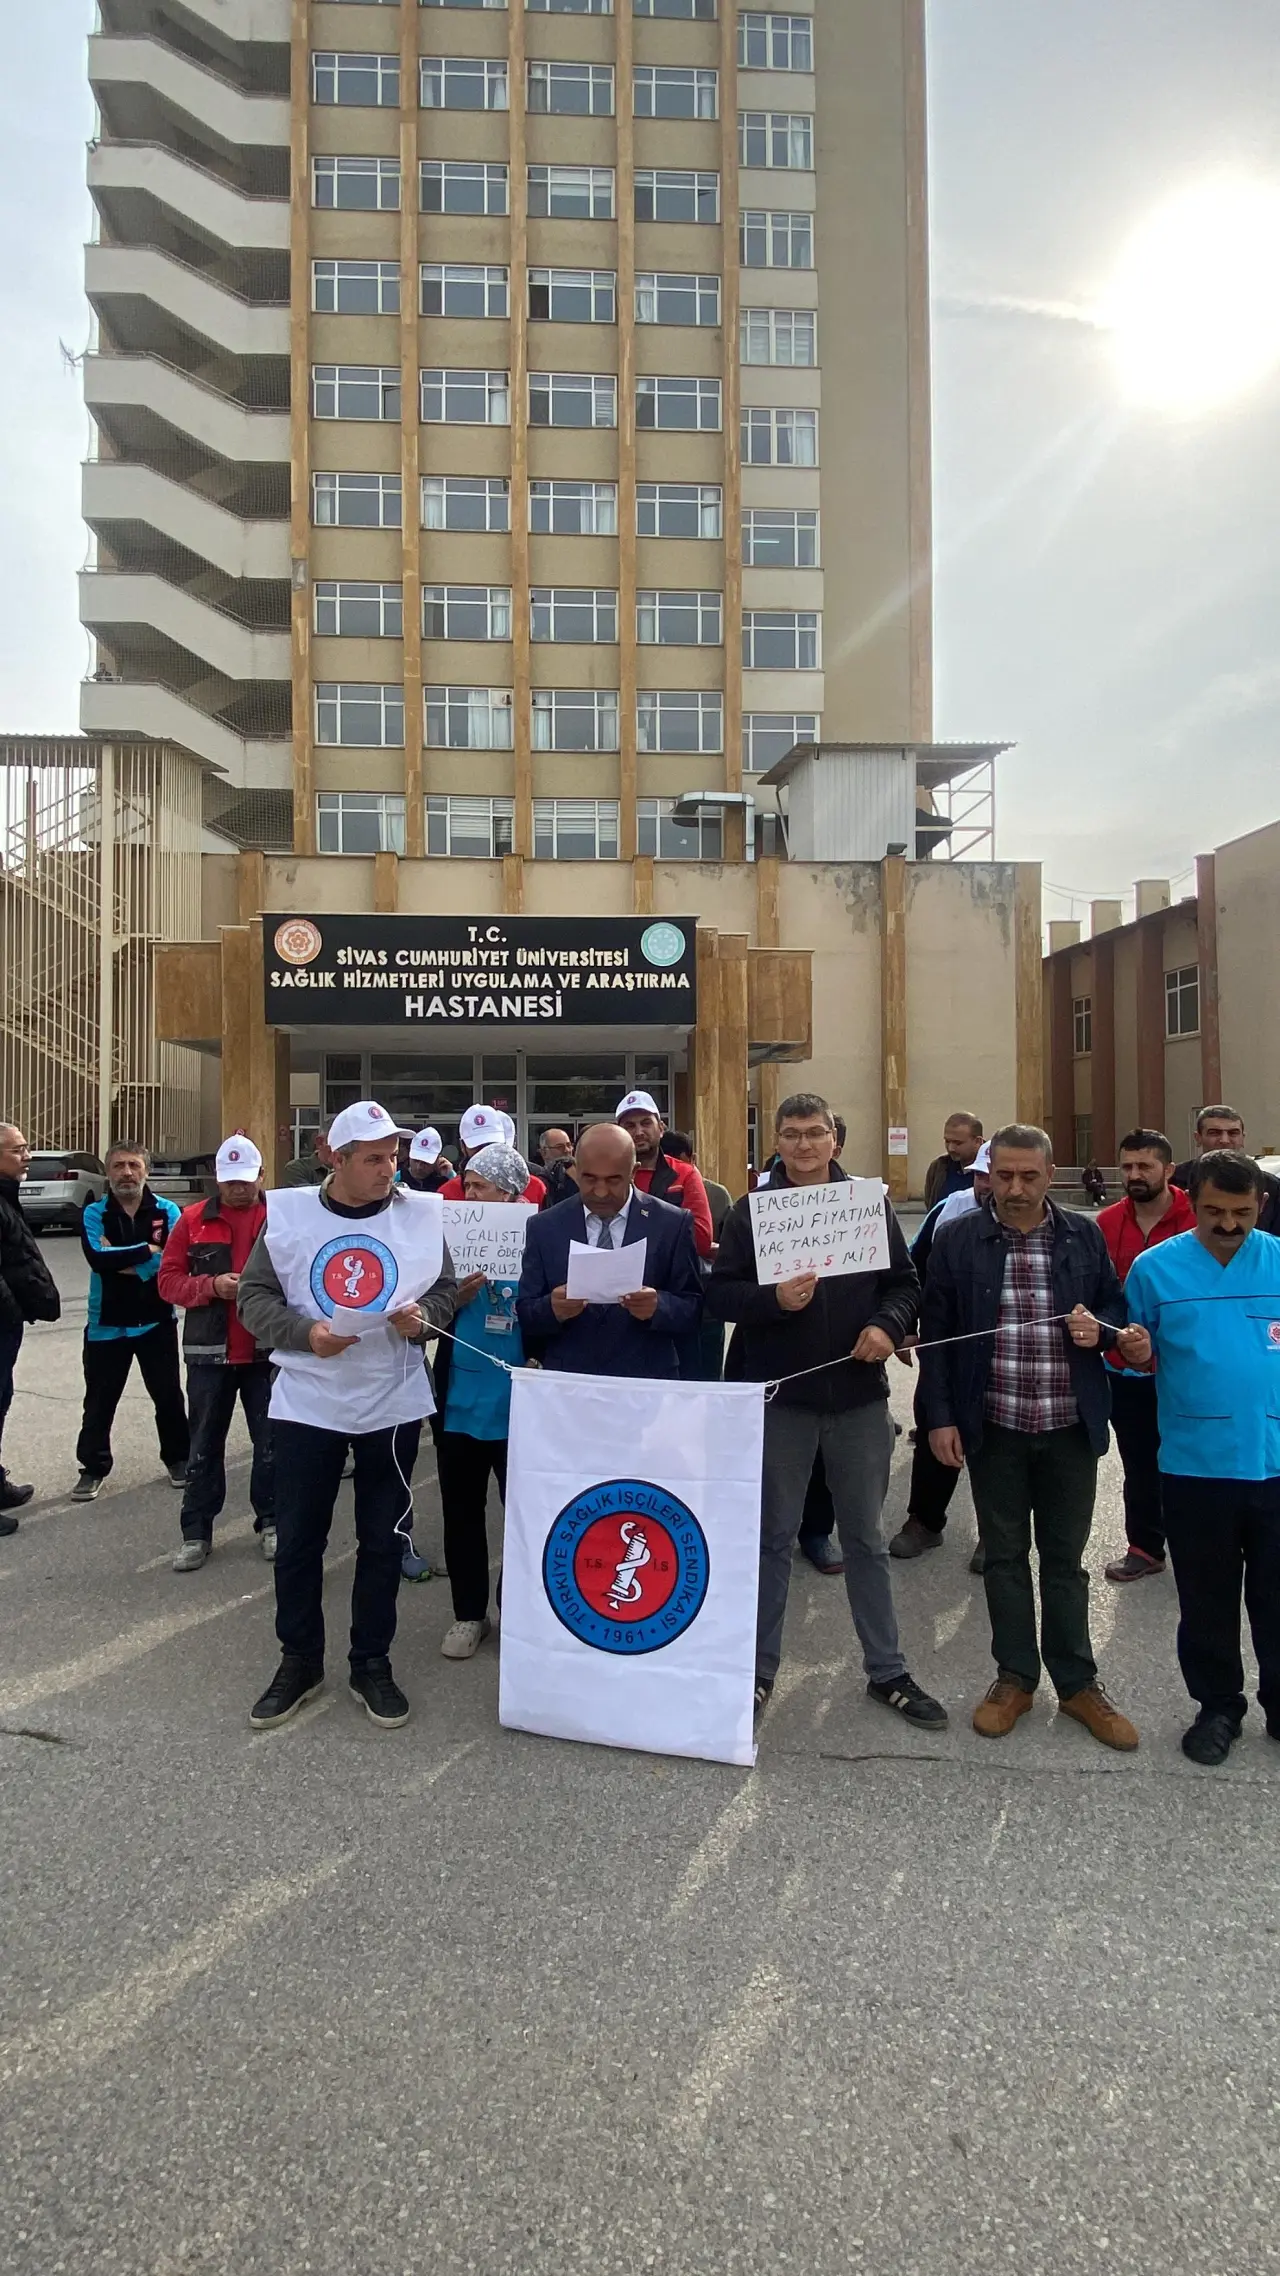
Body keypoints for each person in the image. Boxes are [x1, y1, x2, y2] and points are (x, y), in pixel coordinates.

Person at [707, 1091, 946, 1728]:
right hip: (781, 1401)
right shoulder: (753, 1212)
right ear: (776, 1142)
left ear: (834, 1139)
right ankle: (757, 1671)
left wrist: (887, 1326)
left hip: (858, 1398)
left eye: (815, 1133)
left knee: (865, 1539)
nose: (804, 1144)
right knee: (771, 1539)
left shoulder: (866, 1204)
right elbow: (719, 1295)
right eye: (791, 1134)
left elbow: (905, 1284)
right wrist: (773, 1301)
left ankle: (887, 1671)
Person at [237, 1099, 459, 1730]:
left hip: (391, 1400)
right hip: (308, 1400)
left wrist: (427, 1318)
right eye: (374, 1159)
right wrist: (305, 1334)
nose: (389, 1169)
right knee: (299, 1541)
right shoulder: (289, 1214)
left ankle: (371, 1662)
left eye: (393, 1156)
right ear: (336, 1158)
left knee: (383, 1541)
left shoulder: (419, 1215)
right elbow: (254, 1297)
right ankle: (300, 1660)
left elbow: (443, 1289)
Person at [920, 1122, 1137, 1749]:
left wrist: (1103, 1330)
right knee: (1005, 1559)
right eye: (1005, 1175)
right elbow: (937, 1336)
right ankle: (1014, 1677)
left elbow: (1114, 1306)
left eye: (1029, 1176)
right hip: (996, 1427)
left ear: (1051, 1175)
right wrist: (939, 1417)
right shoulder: (959, 1237)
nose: (1015, 1188)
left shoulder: (1081, 1235)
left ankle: (1078, 1685)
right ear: (989, 1173)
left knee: (1066, 1563)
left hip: (1069, 1426)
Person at [1120, 1148, 1280, 1765]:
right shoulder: (1155, 1270)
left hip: (1275, 1464)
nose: (1229, 1224)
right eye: (1215, 1211)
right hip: (1196, 1466)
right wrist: (1136, 1354)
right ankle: (1218, 1707)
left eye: (1242, 1212)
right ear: (1194, 1203)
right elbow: (1134, 1357)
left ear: (1261, 1205)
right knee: (1206, 1598)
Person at [432, 1140, 531, 1661]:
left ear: (510, 1193)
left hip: (521, 1401)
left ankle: (516, 1606)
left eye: (480, 1187)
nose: (468, 1194)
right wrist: (455, 1298)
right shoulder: (448, 1240)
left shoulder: (539, 1236)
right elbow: (422, 1308)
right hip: (461, 1399)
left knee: (522, 1512)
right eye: (466, 1185)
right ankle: (469, 1613)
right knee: (462, 1510)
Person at [157, 1136, 275, 1572]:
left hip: (268, 1351)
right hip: (209, 1354)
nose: (237, 1189)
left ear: (261, 1176)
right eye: (229, 1181)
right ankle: (196, 1532)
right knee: (204, 1446)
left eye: (245, 1180)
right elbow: (168, 1281)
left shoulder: (281, 1217)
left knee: (272, 1444)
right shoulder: (192, 1220)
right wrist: (210, 1286)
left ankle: (272, 1522)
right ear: (217, 1179)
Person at [517, 1122, 702, 1379]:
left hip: (646, 1381)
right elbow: (525, 1312)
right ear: (576, 1170)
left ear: (633, 1172)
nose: (601, 1192)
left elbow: (694, 1308)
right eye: (589, 1179)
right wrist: (552, 1308)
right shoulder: (544, 1226)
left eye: (613, 1180)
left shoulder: (671, 1224)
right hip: (569, 1382)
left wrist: (659, 1306)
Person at [1096, 1129, 1196, 1584]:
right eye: (1128, 1166)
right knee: (1139, 1461)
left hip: (1187, 1368)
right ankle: (1145, 1547)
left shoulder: (1197, 1217)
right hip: (1124, 1371)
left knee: (1192, 1458)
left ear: (1169, 1170)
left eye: (1145, 1166)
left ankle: (1202, 1544)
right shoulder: (1105, 1223)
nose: (1134, 1175)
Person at [890, 1143, 994, 1564]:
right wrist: (904, 1327)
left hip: (1005, 1357)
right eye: (982, 1175)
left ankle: (994, 1534)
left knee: (997, 1445)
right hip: (948, 1348)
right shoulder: (948, 1213)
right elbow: (912, 1271)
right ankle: (924, 1522)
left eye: (995, 1175)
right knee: (936, 1427)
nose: (988, 1185)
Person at [72, 1143, 189, 1502]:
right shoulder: (94, 1213)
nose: (126, 1173)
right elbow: (97, 1258)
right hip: (106, 1323)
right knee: (99, 1401)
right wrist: (146, 1252)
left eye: (134, 1165)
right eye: (119, 1166)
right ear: (108, 1172)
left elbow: (173, 1260)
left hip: (156, 1320)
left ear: (146, 1171)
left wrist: (123, 1261)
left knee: (168, 1397)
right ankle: (93, 1468)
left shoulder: (168, 1211)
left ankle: (179, 1459)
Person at [0, 1123, 61, 1527]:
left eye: (26, 1148)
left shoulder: (7, 1196)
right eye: (18, 1150)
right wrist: (12, 1309)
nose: (27, 1156)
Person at [614, 1092, 714, 1259]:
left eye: (646, 1123)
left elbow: (701, 1239)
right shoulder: (607, 1175)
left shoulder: (685, 1174)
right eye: (630, 1126)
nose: (638, 1132)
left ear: (661, 1128)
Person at [1171, 1104, 1280, 1232]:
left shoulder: (1271, 1186)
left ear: (1242, 1138)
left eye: (1233, 1133)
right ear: (1198, 1138)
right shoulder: (1174, 1180)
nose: (1224, 1140)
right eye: (1214, 1133)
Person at [439, 1106, 546, 1206]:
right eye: (477, 1147)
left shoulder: (536, 1188)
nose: (486, 1153)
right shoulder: (447, 1194)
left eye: (492, 1145)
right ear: (462, 1146)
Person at [923, 1113, 983, 1209]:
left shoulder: (992, 1169)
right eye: (947, 1141)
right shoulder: (938, 1167)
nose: (951, 1148)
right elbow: (931, 1205)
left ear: (978, 1141)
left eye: (958, 1143)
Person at [280, 1119, 334, 1189]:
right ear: (320, 1142)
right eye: (339, 1144)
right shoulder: (296, 1169)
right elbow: (305, 1194)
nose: (345, 1149)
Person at [403, 1127, 454, 1195]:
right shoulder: (397, 1178)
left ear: (437, 1159)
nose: (419, 1167)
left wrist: (451, 1175)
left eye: (425, 1163)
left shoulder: (444, 1180)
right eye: (415, 1161)